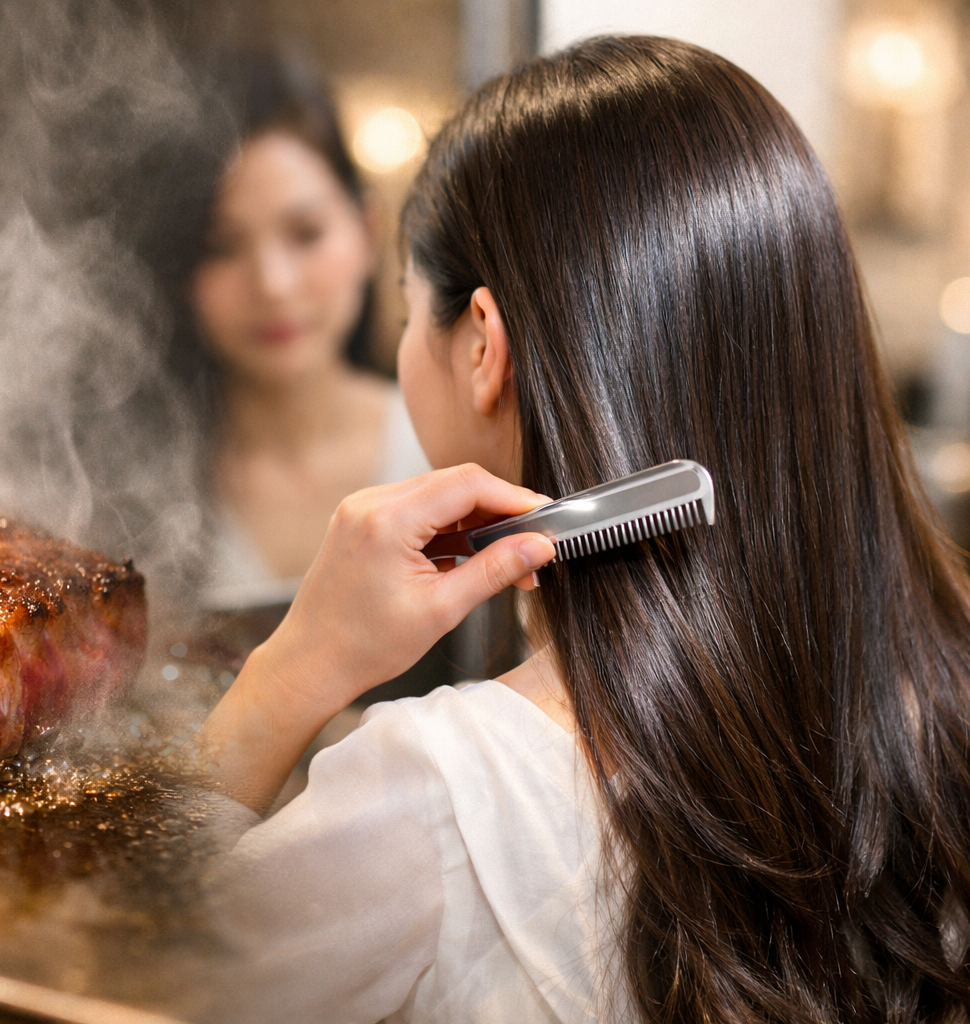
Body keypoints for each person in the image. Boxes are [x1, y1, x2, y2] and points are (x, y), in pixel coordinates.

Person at [197, 35, 970, 1024]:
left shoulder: (442, 797)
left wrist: (287, 673)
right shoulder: (934, 710)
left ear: (482, 342)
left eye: (406, 310)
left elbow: (114, 969)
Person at [178, 51, 431, 612]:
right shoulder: (145, 492)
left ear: (367, 231)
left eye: (306, 233)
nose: (273, 284)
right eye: (223, 246)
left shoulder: (441, 450)